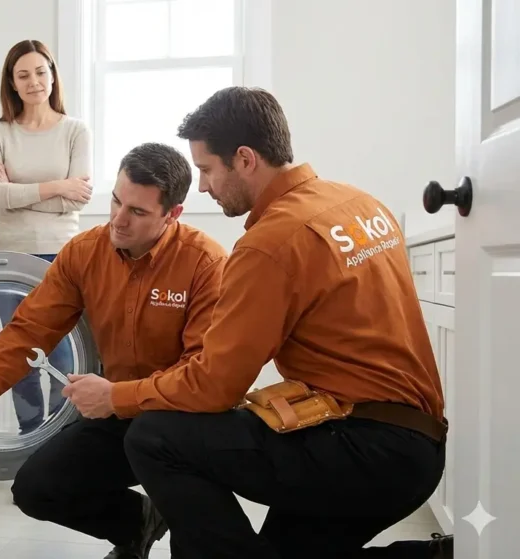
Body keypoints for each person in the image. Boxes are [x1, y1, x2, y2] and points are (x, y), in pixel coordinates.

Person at [62, 86, 451, 558]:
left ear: (245, 159)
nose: (202, 185)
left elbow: (214, 386)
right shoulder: (360, 204)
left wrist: (116, 396)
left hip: (364, 447)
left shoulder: (271, 243)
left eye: (206, 169)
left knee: (154, 436)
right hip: (417, 444)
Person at [0, 142, 229, 559]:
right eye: (116, 201)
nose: (118, 221)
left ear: (172, 214)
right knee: (35, 489)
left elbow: (202, 370)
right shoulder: (85, 252)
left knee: (195, 539)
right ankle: (138, 523)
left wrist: (119, 397)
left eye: (138, 212)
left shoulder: (205, 263)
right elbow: (30, 329)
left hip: (185, 421)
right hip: (120, 412)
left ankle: (178, 523)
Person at [0, 39, 93, 434]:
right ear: (12, 83)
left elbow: (76, 201)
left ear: (53, 75)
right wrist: (56, 187)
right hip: (9, 257)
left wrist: (21, 193)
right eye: (23, 75)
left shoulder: (76, 131)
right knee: (21, 359)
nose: (34, 82)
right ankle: (32, 443)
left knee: (65, 358)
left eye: (41, 72)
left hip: (61, 257)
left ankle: (63, 446)